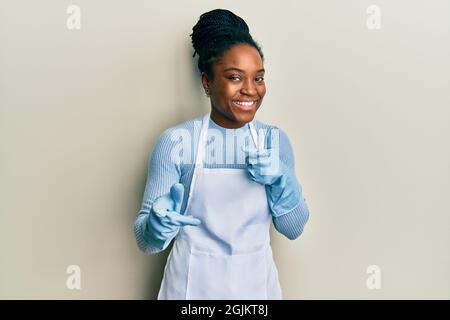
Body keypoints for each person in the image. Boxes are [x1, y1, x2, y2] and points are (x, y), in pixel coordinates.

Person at [133, 8, 310, 300]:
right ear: (207, 82)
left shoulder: (273, 141)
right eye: (235, 77)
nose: (250, 91)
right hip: (190, 291)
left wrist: (282, 180)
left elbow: (293, 229)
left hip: (256, 292)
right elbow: (146, 243)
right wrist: (155, 225)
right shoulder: (176, 142)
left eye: (259, 78)